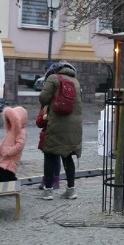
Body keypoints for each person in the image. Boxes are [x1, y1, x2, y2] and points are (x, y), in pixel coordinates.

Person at [38, 61, 82, 200]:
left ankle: (48, 191)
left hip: (56, 123)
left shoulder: (53, 78)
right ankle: (71, 190)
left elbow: (43, 98)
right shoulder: (76, 81)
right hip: (73, 126)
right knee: (68, 156)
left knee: (50, 154)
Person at [0, 106, 27, 183]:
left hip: (9, 161)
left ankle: (13, 186)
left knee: (6, 176)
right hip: (3, 159)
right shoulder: (11, 130)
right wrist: (0, 147)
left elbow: (20, 145)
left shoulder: (21, 132)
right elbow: (5, 141)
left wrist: (8, 151)